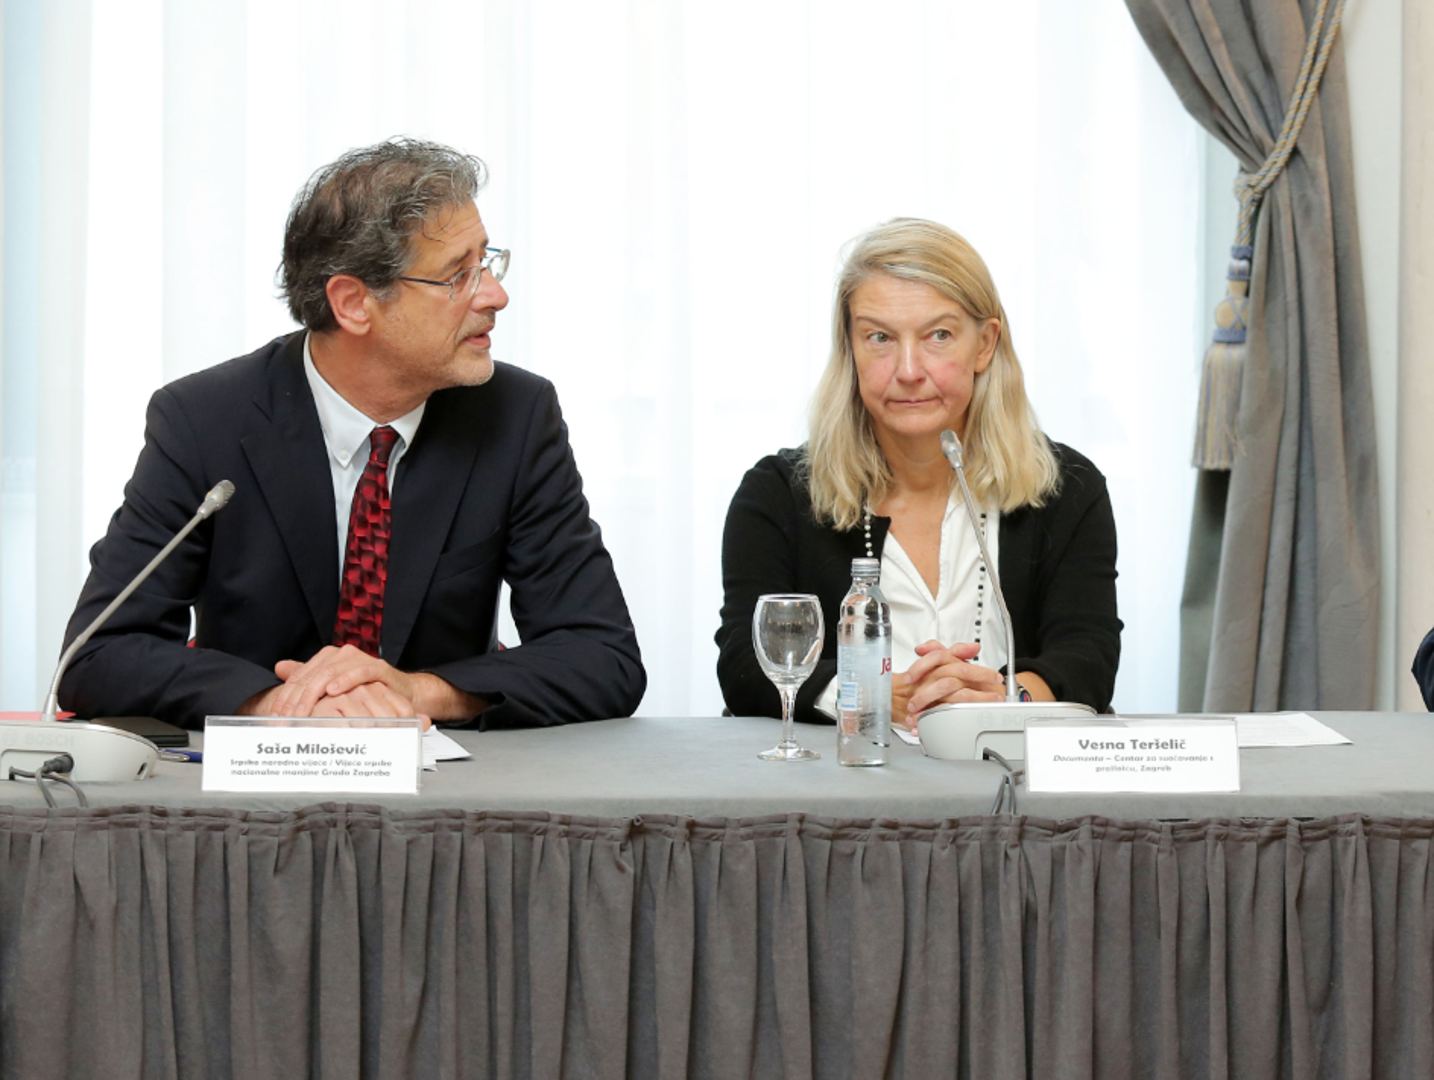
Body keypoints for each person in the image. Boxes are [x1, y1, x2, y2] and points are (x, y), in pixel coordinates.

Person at [60, 138, 644, 729]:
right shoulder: (205, 420)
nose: (496, 295)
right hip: (257, 777)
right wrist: (284, 703)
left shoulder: (514, 417)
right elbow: (98, 654)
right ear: (354, 303)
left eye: (487, 263)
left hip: (447, 774)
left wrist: (416, 693)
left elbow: (603, 657)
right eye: (458, 275)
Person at [717, 218, 1120, 727]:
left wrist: (1003, 699)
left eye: (938, 335)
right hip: (840, 770)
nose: (908, 370)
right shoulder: (776, 494)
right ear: (851, 348)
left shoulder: (1068, 489)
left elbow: (1088, 657)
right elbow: (746, 663)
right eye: (879, 337)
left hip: (1006, 767)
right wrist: (870, 694)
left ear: (984, 344)